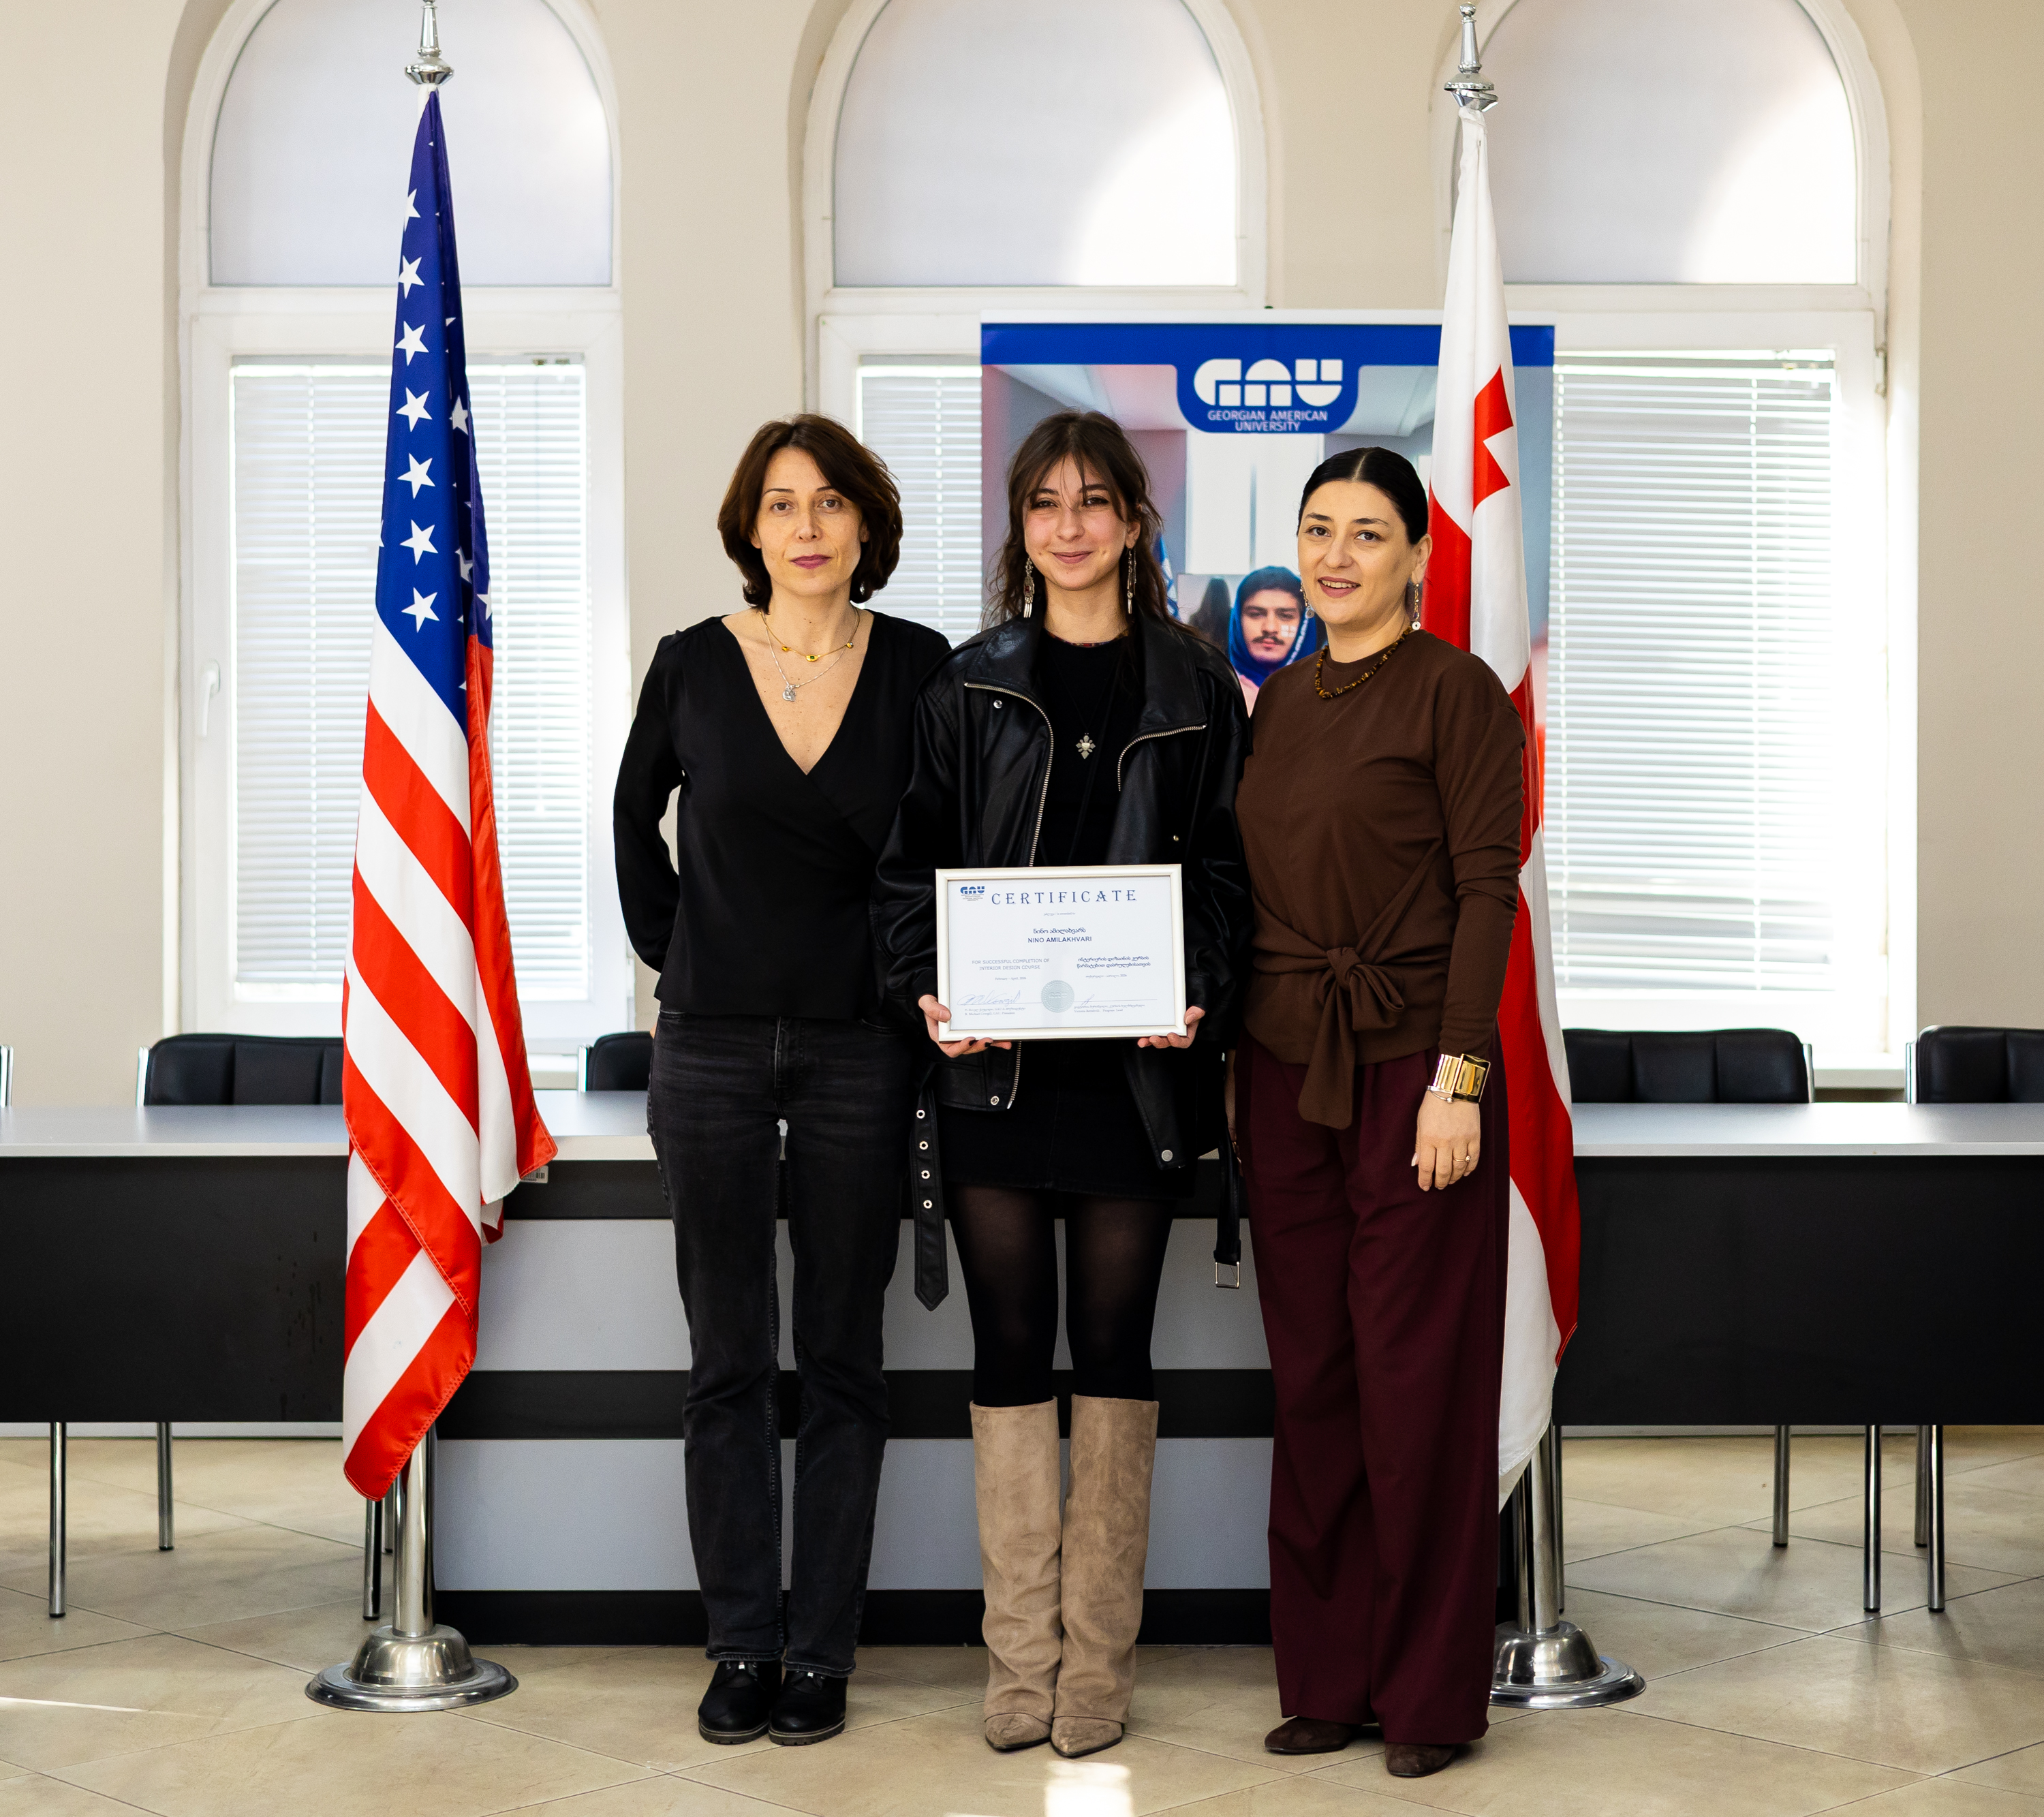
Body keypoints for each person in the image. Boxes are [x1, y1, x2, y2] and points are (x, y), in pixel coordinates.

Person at [872, 410, 1250, 1760]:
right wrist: (930, 989)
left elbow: (1228, 871)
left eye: (1096, 500)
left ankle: (1098, 1666)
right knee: (1009, 1353)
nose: (1071, 524)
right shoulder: (967, 686)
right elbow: (908, 869)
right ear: (1021, 527)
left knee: (1116, 1354)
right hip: (996, 1081)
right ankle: (1019, 1665)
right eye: (1046, 502)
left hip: (1137, 1085)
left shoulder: (1198, 685)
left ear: (1136, 522)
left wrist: (1199, 986)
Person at [613, 414, 948, 1748]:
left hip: (864, 1046)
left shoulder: (921, 665)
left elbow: (953, 845)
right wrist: (678, 948)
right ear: (749, 529)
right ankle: (742, 1641)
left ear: (868, 524)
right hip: (709, 1048)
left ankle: (822, 1651)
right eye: (781, 504)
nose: (806, 527)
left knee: (847, 1358)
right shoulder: (692, 662)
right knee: (729, 1360)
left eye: (831, 502)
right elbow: (632, 817)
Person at [1232, 446, 1523, 1780]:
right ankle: (1327, 1680)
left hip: (1418, 1072)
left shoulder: (1458, 690)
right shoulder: (1280, 702)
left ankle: (1427, 1698)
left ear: (1416, 553)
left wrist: (1462, 1077)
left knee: (1416, 1390)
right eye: (1317, 529)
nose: (1335, 555)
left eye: (1364, 532)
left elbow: (1485, 892)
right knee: (1315, 1382)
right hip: (1285, 1070)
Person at [1225, 565, 1323, 709]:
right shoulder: (1213, 693)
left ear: (1304, 624)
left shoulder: (1331, 695)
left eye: (1286, 616)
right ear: (1238, 621)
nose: (1270, 628)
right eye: (1256, 614)